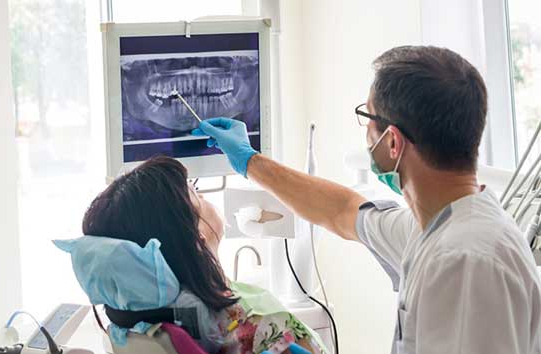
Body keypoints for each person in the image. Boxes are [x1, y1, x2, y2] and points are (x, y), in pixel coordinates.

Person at [191, 45, 541, 353]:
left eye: (367, 118)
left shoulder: (464, 262)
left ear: (392, 143)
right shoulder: (433, 226)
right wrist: (250, 160)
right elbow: (343, 211)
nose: (365, 133)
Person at [79, 155, 325, 354]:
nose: (205, 196)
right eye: (195, 193)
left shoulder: (136, 324)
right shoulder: (260, 325)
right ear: (196, 238)